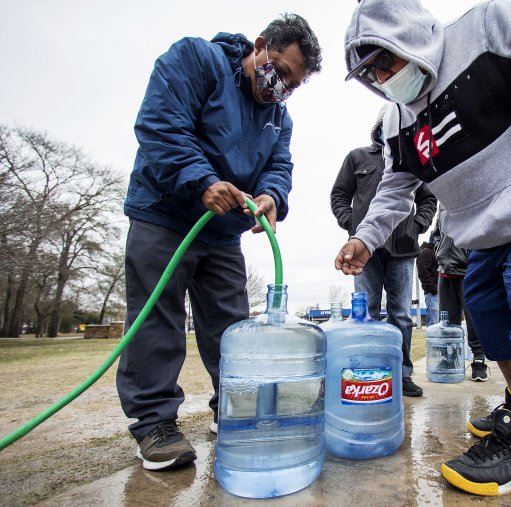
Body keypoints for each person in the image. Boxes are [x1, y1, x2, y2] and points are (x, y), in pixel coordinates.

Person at [336, 0, 511, 496]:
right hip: (485, 229)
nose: (380, 78)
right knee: (484, 308)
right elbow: (395, 189)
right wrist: (363, 237)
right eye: (369, 72)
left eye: (384, 61)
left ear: (409, 38)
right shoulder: (398, 119)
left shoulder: (489, 27)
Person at [118, 14, 322, 471]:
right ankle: (155, 425)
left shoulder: (279, 117)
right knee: (157, 317)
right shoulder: (196, 58)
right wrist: (201, 180)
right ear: (261, 45)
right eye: (282, 73)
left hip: (223, 230)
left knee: (232, 329)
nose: (282, 88)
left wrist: (273, 195)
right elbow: (161, 124)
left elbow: (279, 165)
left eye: (293, 85)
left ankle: (232, 408)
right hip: (165, 212)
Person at [330, 105, 437, 397]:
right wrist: (351, 224)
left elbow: (429, 199)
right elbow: (339, 195)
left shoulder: (412, 157)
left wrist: (417, 225)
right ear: (379, 128)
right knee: (365, 312)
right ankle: (368, 374)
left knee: (401, 314)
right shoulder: (357, 157)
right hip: (365, 249)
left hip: (403, 249)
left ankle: (402, 374)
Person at [432, 206, 488, 381]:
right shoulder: (442, 206)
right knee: (447, 321)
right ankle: (450, 359)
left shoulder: (469, 200)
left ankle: (479, 361)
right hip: (444, 271)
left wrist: (471, 257)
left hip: (467, 271)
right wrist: (438, 253)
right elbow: (437, 234)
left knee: (473, 319)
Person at [416, 231, 439, 327]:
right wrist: (434, 290)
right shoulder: (426, 252)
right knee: (434, 324)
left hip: (438, 293)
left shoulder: (436, 252)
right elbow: (423, 274)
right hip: (433, 294)